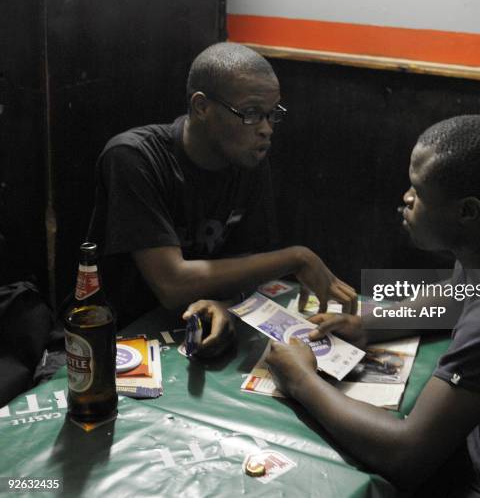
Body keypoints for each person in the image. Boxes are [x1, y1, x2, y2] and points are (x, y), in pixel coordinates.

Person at [266, 115, 480, 497]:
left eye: (419, 191)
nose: (407, 199)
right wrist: (370, 324)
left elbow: (405, 454)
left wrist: (300, 379)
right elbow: (459, 292)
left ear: (467, 212)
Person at [89, 42, 356, 352]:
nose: (266, 130)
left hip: (193, 327)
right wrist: (297, 257)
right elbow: (172, 284)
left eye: (272, 115)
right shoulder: (134, 157)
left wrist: (224, 304)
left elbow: (247, 263)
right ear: (202, 107)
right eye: (252, 113)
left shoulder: (248, 160)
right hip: (120, 337)